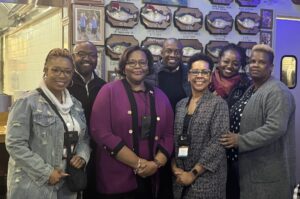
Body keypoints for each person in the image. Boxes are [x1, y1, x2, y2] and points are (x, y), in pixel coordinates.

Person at [90, 46, 174, 199]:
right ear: (123, 66)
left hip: (151, 178)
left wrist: (155, 164)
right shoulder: (108, 91)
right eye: (132, 62)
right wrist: (138, 164)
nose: (137, 67)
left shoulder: (160, 96)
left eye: (142, 62)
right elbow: (100, 132)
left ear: (148, 66)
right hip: (116, 180)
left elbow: (169, 134)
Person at [5, 48, 90, 199]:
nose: (61, 76)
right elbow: (15, 144)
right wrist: (46, 172)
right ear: (45, 70)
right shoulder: (27, 102)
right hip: (34, 184)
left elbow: (84, 138)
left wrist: (82, 156)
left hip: (67, 182)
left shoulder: (75, 105)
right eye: (56, 70)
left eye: (67, 71)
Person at [220, 44, 296, 199]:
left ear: (271, 67)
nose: (255, 65)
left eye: (261, 62)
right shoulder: (252, 89)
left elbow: (275, 128)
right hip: (246, 169)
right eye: (252, 61)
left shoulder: (277, 91)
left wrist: (240, 140)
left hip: (267, 172)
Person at [172, 53, 229, 199]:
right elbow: (175, 139)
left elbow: (218, 143)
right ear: (188, 76)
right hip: (180, 177)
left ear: (210, 77)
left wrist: (193, 173)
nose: (200, 76)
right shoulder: (180, 105)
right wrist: (174, 167)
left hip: (207, 180)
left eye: (204, 72)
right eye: (195, 72)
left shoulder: (218, 104)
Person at [145, 38, 190, 199]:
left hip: (182, 133)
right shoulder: (150, 73)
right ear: (161, 52)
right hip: (156, 133)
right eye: (169, 51)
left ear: (182, 54)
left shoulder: (189, 73)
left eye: (177, 51)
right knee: (157, 178)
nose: (173, 55)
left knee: (179, 176)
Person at [210, 43, 251, 199]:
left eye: (235, 63)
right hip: (209, 147)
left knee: (233, 191)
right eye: (226, 61)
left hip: (234, 151)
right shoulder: (206, 81)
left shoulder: (246, 85)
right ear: (219, 60)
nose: (230, 66)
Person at [68, 41, 106, 199]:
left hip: (99, 150)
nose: (87, 59)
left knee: (95, 190)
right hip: (72, 152)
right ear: (73, 57)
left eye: (92, 55)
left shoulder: (104, 86)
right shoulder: (65, 85)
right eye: (81, 54)